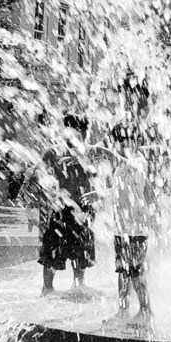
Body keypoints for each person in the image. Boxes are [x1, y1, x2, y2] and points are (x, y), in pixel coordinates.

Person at [36, 114, 96, 297]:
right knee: (52, 247)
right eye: (82, 131)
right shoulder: (53, 152)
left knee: (81, 248)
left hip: (82, 206)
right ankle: (47, 288)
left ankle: (78, 285)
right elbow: (40, 173)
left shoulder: (88, 152)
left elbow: (96, 178)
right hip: (60, 207)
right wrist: (49, 195)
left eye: (85, 131)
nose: (84, 135)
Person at [109, 122, 154, 329]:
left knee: (136, 271)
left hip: (135, 228)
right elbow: (120, 192)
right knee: (123, 271)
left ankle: (146, 310)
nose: (118, 145)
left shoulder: (138, 161)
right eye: (117, 142)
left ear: (135, 142)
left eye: (123, 141)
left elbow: (137, 173)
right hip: (122, 228)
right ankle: (123, 309)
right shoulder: (119, 166)